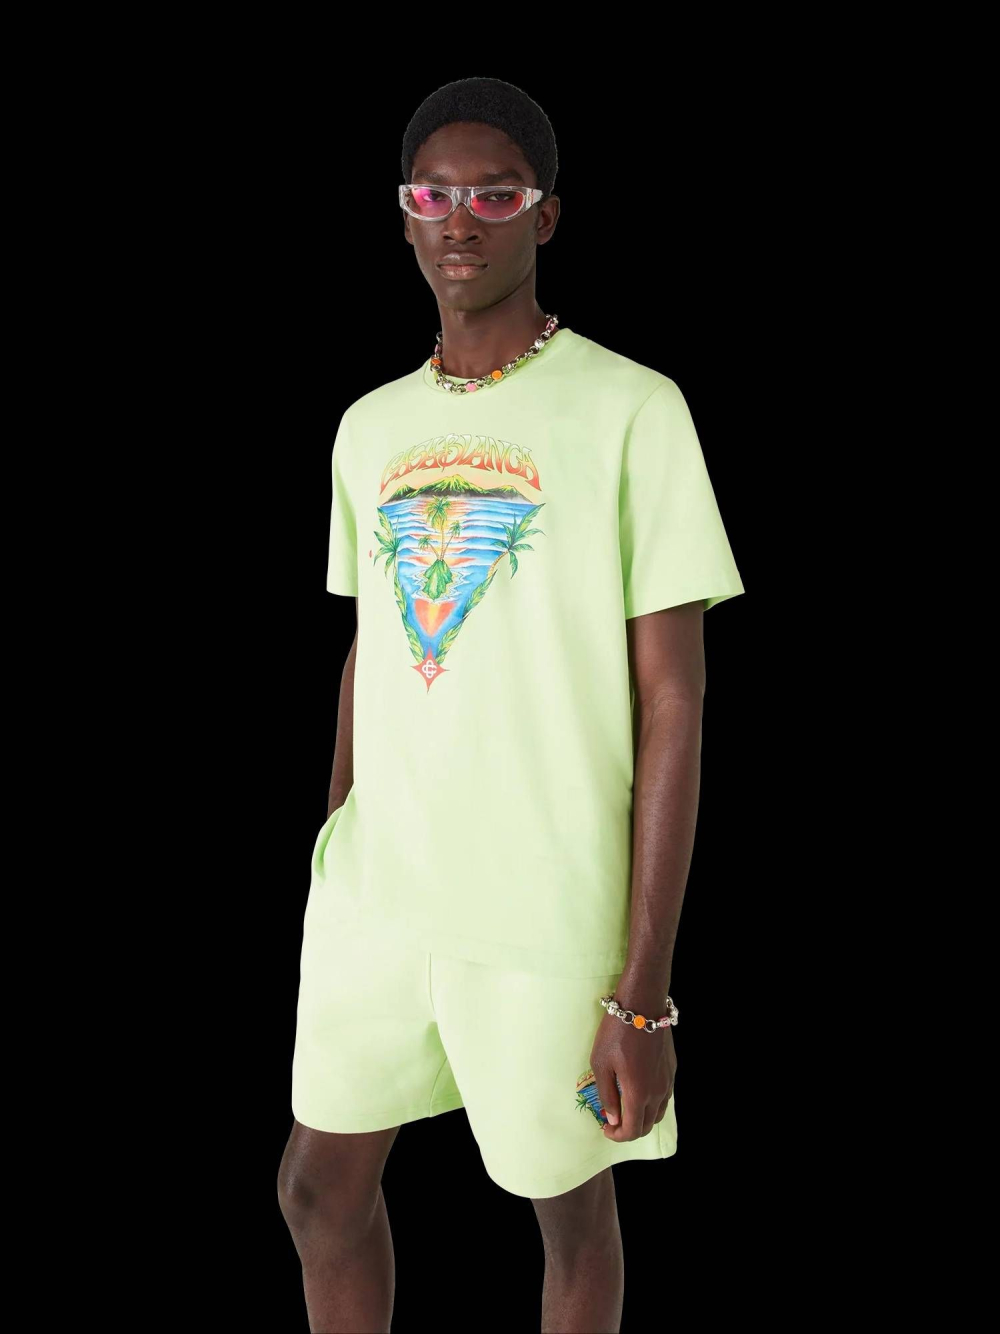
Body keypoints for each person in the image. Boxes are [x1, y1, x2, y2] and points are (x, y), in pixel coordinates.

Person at [278, 76, 745, 1333]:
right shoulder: (367, 426)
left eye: (494, 196)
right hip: (379, 890)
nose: (460, 220)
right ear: (404, 214)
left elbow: (674, 700)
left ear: (544, 217)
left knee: (566, 1212)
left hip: (544, 894)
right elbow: (371, 640)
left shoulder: (633, 408)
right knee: (317, 1191)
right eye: (434, 195)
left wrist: (642, 992)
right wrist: (341, 826)